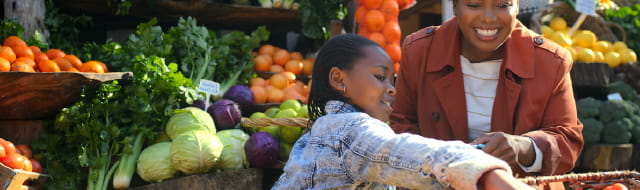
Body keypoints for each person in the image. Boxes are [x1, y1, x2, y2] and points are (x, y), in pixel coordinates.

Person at [271, 34, 533, 190]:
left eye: (391, 81)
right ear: (339, 80)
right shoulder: (351, 130)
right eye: (380, 77)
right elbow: (402, 151)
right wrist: (485, 172)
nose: (392, 89)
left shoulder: (320, 134)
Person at [390, 0, 584, 186]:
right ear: (455, 6)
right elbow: (400, 127)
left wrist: (523, 147)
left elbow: (568, 143)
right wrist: (440, 163)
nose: (489, 18)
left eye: (503, 5)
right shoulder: (419, 51)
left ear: (517, 6)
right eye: (474, 5)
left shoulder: (550, 62)